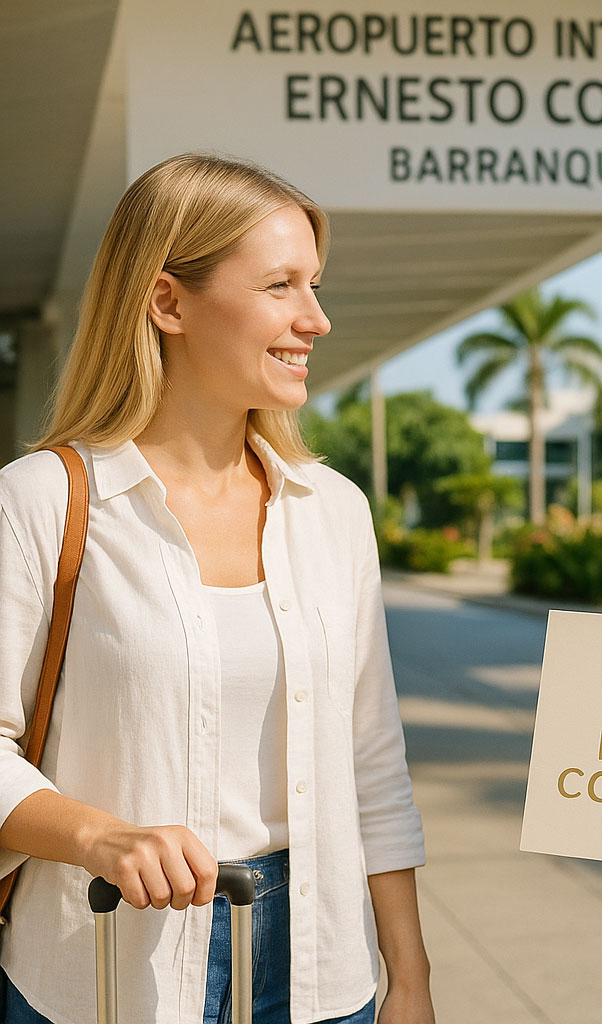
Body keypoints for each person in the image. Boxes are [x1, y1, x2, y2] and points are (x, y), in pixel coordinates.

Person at [0, 154, 434, 1024]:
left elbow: (373, 760)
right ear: (167, 303)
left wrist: (410, 976)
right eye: (281, 285)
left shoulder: (333, 511)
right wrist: (98, 835)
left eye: (314, 284)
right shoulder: (42, 500)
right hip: (107, 970)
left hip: (320, 968)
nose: (316, 318)